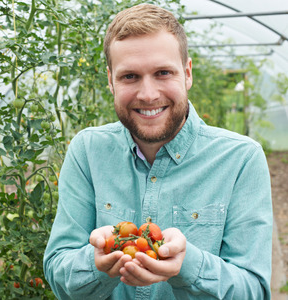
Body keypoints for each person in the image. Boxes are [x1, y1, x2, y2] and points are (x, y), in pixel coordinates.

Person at [43, 3, 273, 300]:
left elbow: (253, 291)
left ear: (187, 74)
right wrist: (95, 263)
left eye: (163, 72)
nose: (148, 94)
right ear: (110, 81)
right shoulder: (88, 152)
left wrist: (186, 265)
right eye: (130, 77)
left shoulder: (241, 159)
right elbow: (57, 272)